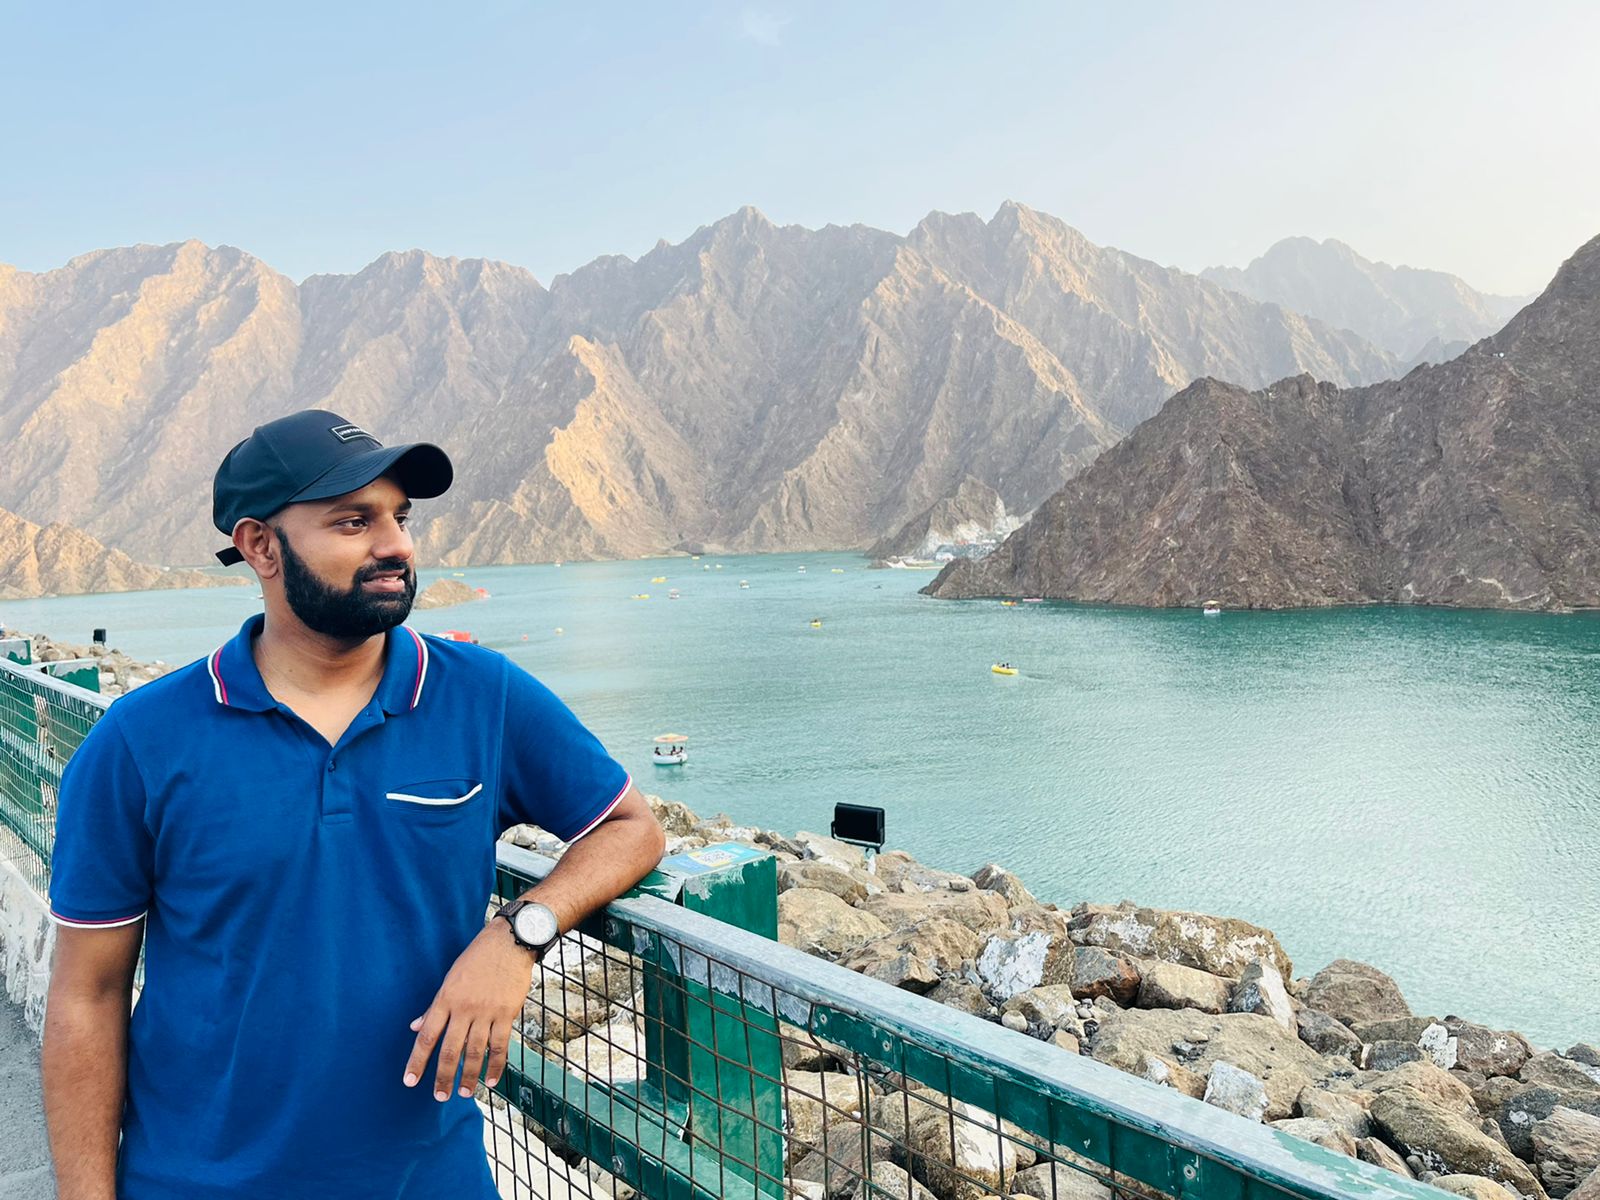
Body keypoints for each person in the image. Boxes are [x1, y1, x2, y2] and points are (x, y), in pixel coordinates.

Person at [41, 409, 665, 1199]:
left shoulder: (484, 697)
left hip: (429, 1182)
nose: (396, 545)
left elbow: (630, 829)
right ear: (260, 545)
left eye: (401, 517)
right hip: (194, 1181)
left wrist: (517, 935)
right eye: (352, 521)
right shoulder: (140, 742)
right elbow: (87, 995)